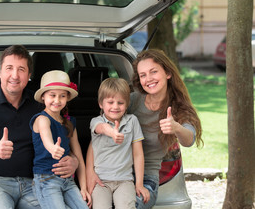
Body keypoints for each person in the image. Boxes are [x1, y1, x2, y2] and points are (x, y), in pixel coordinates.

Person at [86, 49, 203, 209]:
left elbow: (189, 139)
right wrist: (90, 173)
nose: (148, 79)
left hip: (147, 177)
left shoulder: (178, 109)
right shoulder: (130, 101)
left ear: (168, 73)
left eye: (153, 72)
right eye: (143, 75)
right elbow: (99, 138)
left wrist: (176, 128)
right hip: (112, 171)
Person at [0, 45, 79, 209]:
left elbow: (60, 145)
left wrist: (74, 162)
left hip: (33, 183)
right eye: (9, 68)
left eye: (21, 69)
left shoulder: (41, 105)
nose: (14, 75)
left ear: (29, 75)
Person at [30, 70, 91, 209]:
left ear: (67, 98)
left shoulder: (70, 123)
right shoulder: (42, 119)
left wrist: (83, 187)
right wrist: (53, 148)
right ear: (43, 97)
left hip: (68, 181)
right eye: (52, 95)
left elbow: (78, 157)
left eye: (62, 96)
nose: (57, 100)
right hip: (46, 180)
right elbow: (46, 139)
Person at [90, 78, 149, 209]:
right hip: (101, 181)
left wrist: (139, 184)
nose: (115, 106)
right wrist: (112, 133)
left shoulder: (132, 121)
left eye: (120, 103)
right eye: (110, 102)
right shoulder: (95, 121)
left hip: (125, 181)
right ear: (101, 104)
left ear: (127, 104)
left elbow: (138, 154)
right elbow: (101, 128)